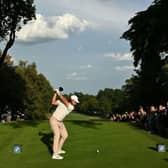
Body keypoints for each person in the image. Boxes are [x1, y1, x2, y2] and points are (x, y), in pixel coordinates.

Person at [49, 89, 79, 160]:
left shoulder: (71, 107)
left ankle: (59, 149)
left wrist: (59, 93)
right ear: (72, 100)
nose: (76, 103)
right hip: (53, 120)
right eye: (75, 101)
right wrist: (55, 93)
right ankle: (55, 154)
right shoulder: (61, 102)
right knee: (57, 135)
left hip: (60, 121)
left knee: (65, 135)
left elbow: (65, 101)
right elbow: (53, 102)